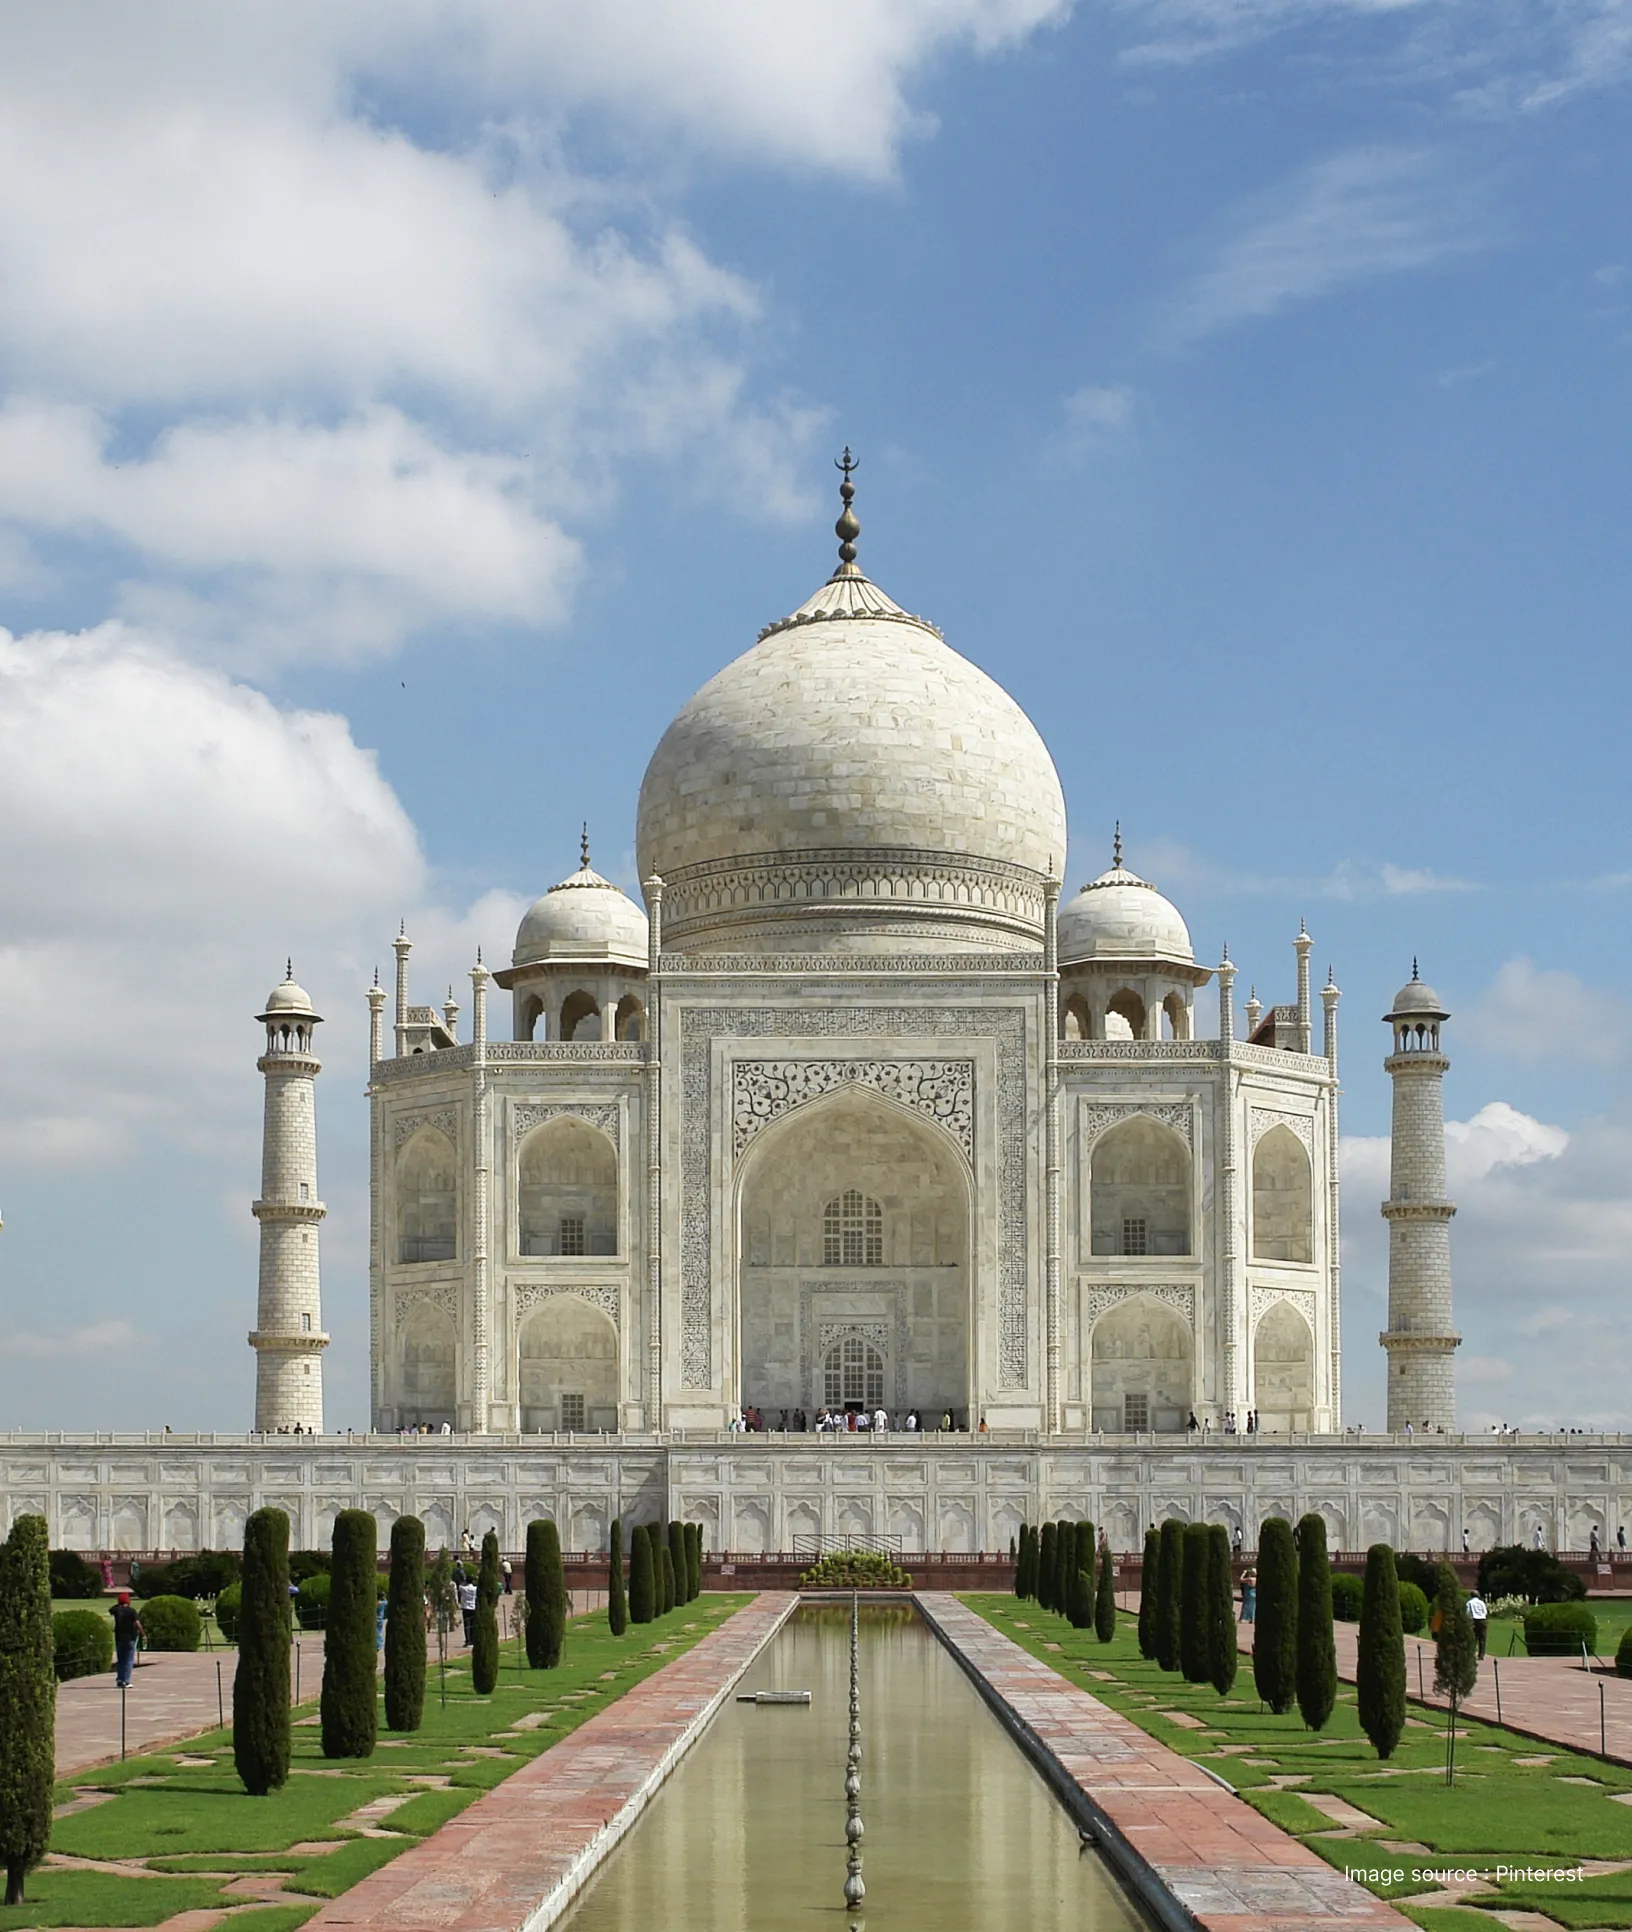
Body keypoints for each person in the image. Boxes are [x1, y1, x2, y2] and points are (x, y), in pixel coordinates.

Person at [112, 1590, 143, 1689]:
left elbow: (111, 1609)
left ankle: (120, 1679)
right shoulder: (131, 1611)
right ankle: (126, 1680)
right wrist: (143, 1634)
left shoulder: (117, 1611)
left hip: (119, 1638)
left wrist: (118, 1604)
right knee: (129, 1660)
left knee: (121, 1660)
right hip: (130, 1637)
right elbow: (137, 1623)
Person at [1466, 1588, 1488, 1660]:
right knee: (1482, 1638)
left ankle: (1471, 1653)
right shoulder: (1482, 1602)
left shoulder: (1469, 1603)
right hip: (1482, 1620)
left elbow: (1467, 1612)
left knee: (1473, 1638)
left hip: (1473, 1620)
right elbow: (1485, 1612)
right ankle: (1481, 1655)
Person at [458, 1573, 478, 1646]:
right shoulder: (475, 1588)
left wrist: (464, 1581)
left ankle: (467, 1640)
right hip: (473, 1607)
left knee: (466, 1625)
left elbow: (460, 1586)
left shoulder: (464, 1588)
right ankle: (472, 1640)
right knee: (473, 1625)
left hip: (466, 1608)